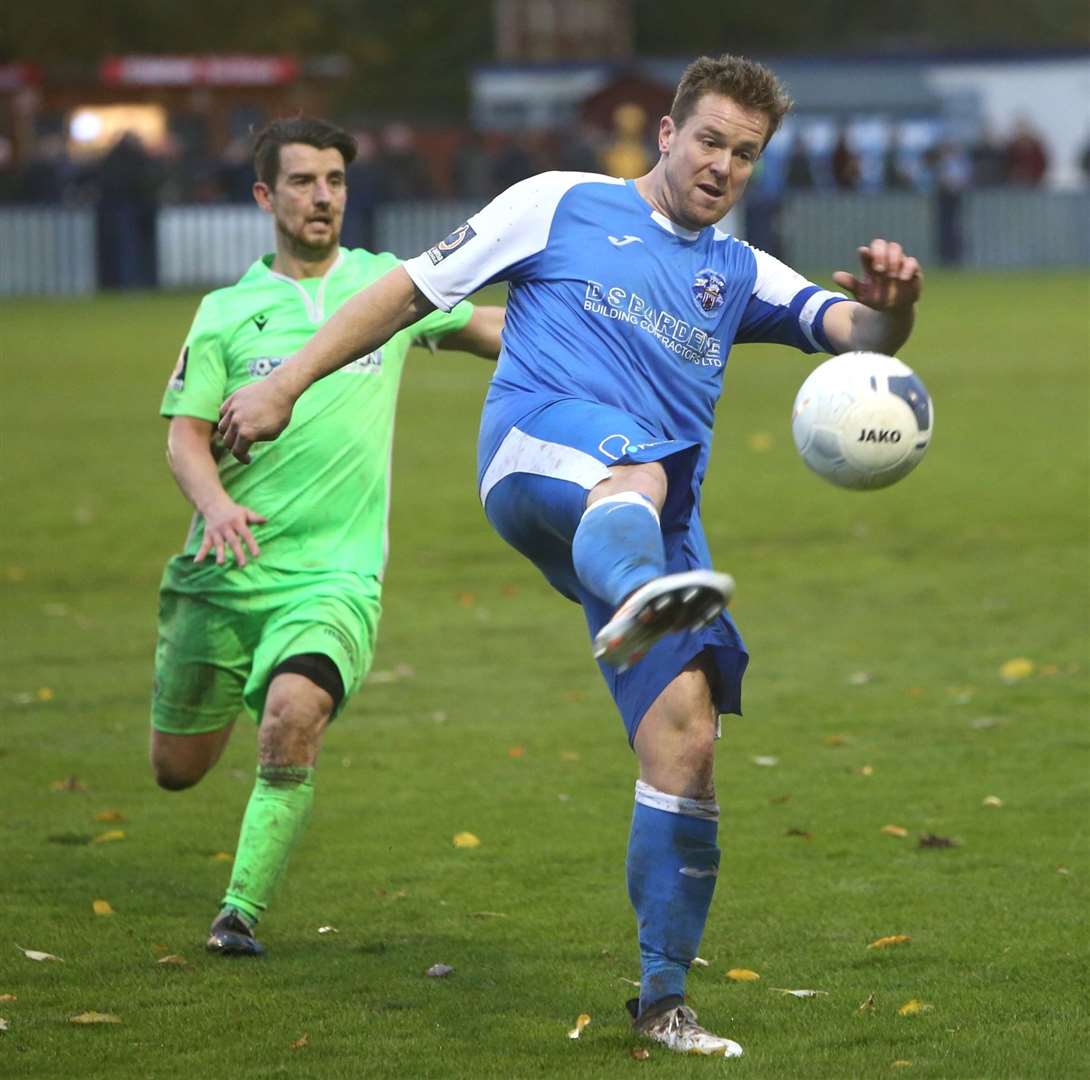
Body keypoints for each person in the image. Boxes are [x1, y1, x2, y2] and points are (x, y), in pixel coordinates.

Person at [217, 55, 923, 1054]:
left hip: (651, 524)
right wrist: (285, 384)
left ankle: (662, 1002)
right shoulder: (558, 204)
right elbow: (411, 291)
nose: (723, 164)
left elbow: (858, 330)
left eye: (745, 153)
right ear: (667, 133)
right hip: (539, 458)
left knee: (686, 745)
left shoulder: (741, 272)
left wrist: (898, 306)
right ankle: (643, 593)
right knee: (629, 477)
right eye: (710, 140)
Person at [150, 116, 504, 957]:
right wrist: (219, 507)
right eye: (304, 181)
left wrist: (592, 328)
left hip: (334, 577)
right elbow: (183, 435)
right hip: (224, 570)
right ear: (265, 196)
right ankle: (235, 683)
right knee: (177, 769)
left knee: (293, 717)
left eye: (336, 180)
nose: (323, 197)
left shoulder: (388, 286)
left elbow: (488, 329)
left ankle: (239, 912)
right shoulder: (228, 311)